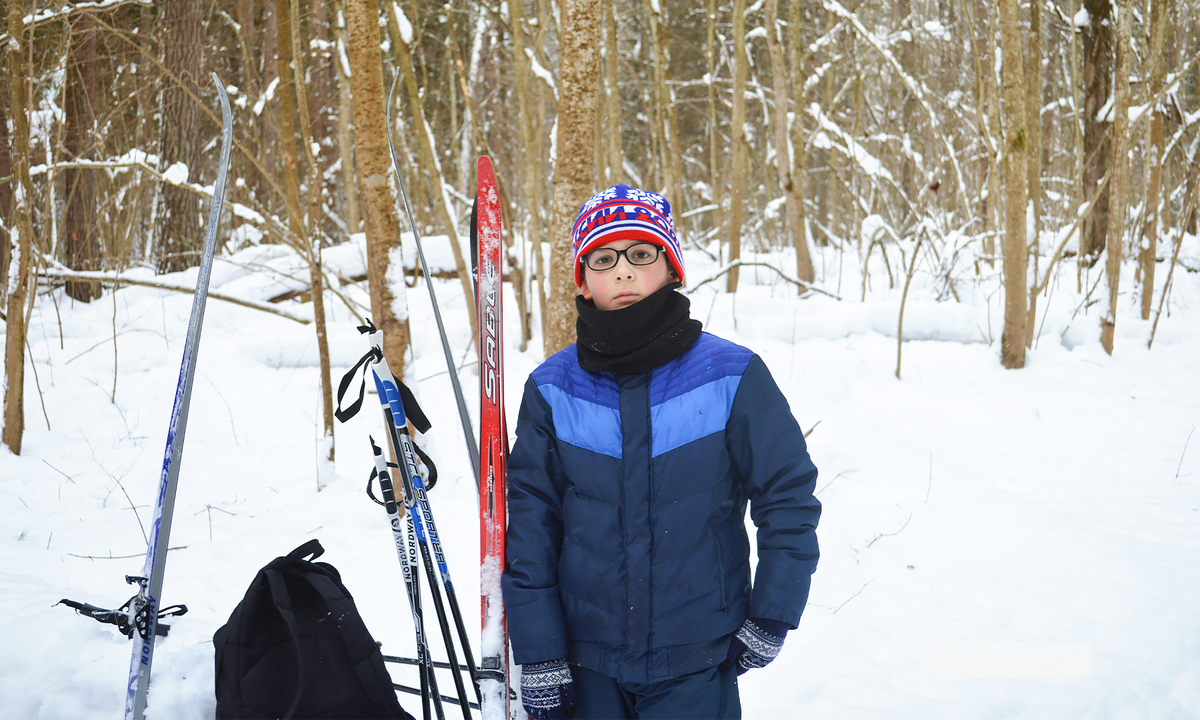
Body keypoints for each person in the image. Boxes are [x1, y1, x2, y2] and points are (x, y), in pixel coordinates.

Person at [502, 184, 821, 720]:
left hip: (696, 658)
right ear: (583, 279)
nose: (623, 271)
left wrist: (772, 612)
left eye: (641, 254)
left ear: (671, 267)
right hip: (587, 664)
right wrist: (538, 653)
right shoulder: (553, 389)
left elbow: (787, 496)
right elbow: (532, 526)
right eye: (603, 258)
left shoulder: (731, 376)